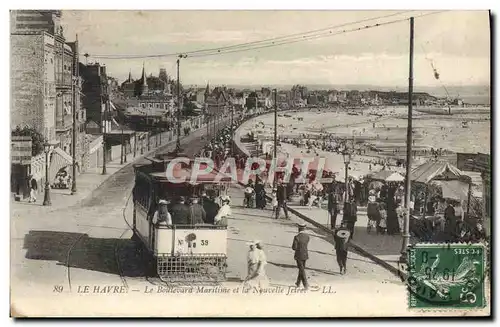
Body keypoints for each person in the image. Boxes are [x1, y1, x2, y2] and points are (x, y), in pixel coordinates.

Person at [292, 223, 309, 289]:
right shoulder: (307, 236)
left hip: (298, 255)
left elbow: (294, 247)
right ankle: (298, 283)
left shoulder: (296, 237)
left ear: (299, 229)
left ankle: (305, 284)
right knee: (301, 269)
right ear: (305, 229)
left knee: (301, 270)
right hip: (305, 254)